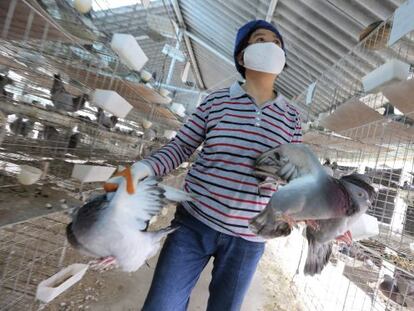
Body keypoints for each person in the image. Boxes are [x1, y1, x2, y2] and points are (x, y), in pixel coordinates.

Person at [125, 20, 302, 311]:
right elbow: (181, 146)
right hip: (194, 224)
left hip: (249, 238)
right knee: (161, 305)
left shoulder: (291, 117)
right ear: (242, 56)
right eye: (260, 40)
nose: (271, 45)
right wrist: (143, 169)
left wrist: (323, 212)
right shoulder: (216, 102)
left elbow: (295, 176)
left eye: (276, 42)